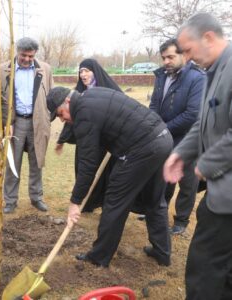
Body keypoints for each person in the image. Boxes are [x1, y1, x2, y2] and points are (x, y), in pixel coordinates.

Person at [47, 86, 173, 268]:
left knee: (115, 200)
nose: (62, 119)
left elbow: (87, 164)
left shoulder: (83, 113)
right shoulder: (91, 95)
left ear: (68, 101)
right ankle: (162, 253)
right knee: (154, 199)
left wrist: (75, 202)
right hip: (162, 138)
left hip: (143, 148)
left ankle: (99, 257)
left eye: (60, 114)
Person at [164, 13, 232, 299]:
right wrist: (180, 153)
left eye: (188, 50)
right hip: (221, 193)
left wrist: (205, 164)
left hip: (227, 200)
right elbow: (202, 122)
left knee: (205, 270)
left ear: (208, 37)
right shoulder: (213, 72)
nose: (187, 59)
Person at [150, 38, 205, 235]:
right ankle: (158, 211)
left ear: (184, 55)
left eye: (171, 57)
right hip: (164, 137)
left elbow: (192, 114)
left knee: (187, 182)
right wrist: (155, 126)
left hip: (189, 139)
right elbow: (154, 104)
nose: (166, 61)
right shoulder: (162, 76)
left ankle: (181, 220)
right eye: (164, 58)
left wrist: (164, 128)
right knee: (164, 176)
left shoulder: (197, 78)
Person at [55, 58, 122, 212]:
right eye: (81, 71)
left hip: (105, 141)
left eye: (86, 71)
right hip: (86, 139)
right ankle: (87, 203)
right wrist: (62, 140)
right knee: (83, 169)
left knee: (104, 173)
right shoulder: (77, 93)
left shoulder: (108, 89)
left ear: (95, 71)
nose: (83, 75)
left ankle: (104, 202)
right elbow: (68, 118)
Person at [2, 37, 54, 214]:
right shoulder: (4, 70)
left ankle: (36, 197)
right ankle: (10, 201)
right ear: (17, 52)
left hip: (37, 123)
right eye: (24, 55)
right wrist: (4, 123)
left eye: (31, 56)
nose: (27, 59)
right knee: (12, 164)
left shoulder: (45, 69)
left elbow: (52, 96)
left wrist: (47, 118)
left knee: (37, 162)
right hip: (15, 124)